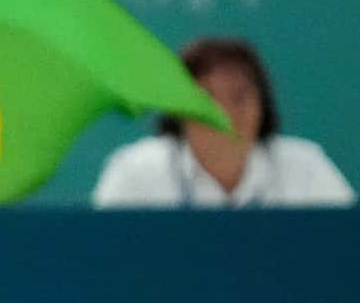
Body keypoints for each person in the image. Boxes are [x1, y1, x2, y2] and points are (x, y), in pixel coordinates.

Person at [91, 36, 354, 210]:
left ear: (263, 106)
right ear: (180, 108)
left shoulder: (306, 167)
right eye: (208, 98)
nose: (224, 113)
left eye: (240, 97)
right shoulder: (135, 171)